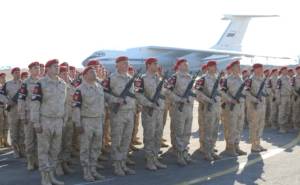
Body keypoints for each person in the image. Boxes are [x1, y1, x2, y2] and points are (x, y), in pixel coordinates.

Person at [30, 59, 67, 185]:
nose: (57, 68)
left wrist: (64, 120)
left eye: (58, 66)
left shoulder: (63, 83)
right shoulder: (41, 83)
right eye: (55, 67)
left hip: (58, 121)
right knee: (44, 150)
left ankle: (51, 176)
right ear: (48, 68)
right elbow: (35, 104)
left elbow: (65, 104)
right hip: (45, 120)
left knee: (55, 150)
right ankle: (45, 177)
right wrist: (36, 123)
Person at [102, 56, 136, 176]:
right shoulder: (112, 78)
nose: (127, 65)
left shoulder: (130, 78)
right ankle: (117, 165)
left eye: (127, 63)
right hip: (118, 114)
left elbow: (133, 96)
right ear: (117, 65)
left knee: (126, 140)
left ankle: (123, 163)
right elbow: (104, 93)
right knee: (117, 140)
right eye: (124, 63)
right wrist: (116, 100)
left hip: (129, 113)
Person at [73, 66, 105, 181]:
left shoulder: (99, 87)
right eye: (92, 72)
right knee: (85, 148)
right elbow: (76, 108)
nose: (94, 74)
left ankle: (93, 169)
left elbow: (102, 106)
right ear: (85, 75)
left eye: (95, 72)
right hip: (86, 121)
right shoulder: (80, 89)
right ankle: (86, 172)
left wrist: (102, 119)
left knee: (96, 147)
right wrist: (78, 124)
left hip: (98, 121)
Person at [135, 57, 167, 171]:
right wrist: (149, 103)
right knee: (149, 137)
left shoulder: (159, 78)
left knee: (158, 136)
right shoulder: (142, 79)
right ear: (148, 65)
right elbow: (138, 95)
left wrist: (163, 77)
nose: (157, 66)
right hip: (149, 112)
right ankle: (149, 161)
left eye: (157, 63)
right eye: (154, 64)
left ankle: (155, 159)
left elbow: (165, 92)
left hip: (159, 111)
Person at [165, 58, 194, 166]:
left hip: (189, 108)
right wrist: (179, 99)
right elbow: (167, 91)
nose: (187, 66)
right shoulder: (174, 77)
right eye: (184, 64)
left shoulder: (190, 77)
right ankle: (179, 155)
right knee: (179, 132)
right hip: (178, 108)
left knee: (187, 131)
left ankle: (185, 152)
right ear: (179, 66)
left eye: (187, 64)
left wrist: (190, 99)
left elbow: (193, 92)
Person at [194, 60, 221, 161]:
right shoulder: (202, 79)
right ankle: (207, 152)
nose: (215, 68)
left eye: (215, 66)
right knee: (208, 131)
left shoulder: (217, 79)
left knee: (215, 131)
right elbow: (197, 93)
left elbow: (219, 93)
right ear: (209, 67)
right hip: (208, 109)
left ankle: (212, 150)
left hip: (217, 109)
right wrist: (208, 100)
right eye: (213, 66)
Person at [220, 60, 247, 156]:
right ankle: (230, 147)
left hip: (241, 106)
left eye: (239, 66)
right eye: (237, 66)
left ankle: (236, 146)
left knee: (239, 127)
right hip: (232, 107)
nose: (239, 68)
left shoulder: (241, 79)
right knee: (231, 127)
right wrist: (230, 100)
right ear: (232, 68)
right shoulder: (227, 80)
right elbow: (222, 93)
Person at [17, 61, 40, 170]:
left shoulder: (42, 82)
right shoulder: (25, 83)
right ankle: (30, 161)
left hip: (40, 116)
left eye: (38, 68)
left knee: (40, 140)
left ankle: (38, 161)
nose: (38, 70)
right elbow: (21, 100)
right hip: (29, 115)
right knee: (30, 140)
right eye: (35, 68)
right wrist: (22, 116)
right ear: (30, 70)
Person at [0, 67, 24, 158]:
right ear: (13, 74)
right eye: (16, 72)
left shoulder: (24, 83)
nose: (18, 74)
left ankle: (22, 149)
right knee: (14, 131)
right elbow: (1, 95)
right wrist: (8, 101)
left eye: (19, 72)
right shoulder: (7, 84)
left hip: (22, 111)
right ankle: (15, 150)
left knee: (22, 132)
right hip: (13, 111)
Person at [56, 65, 75, 175]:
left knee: (67, 142)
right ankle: (57, 165)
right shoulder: (56, 86)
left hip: (70, 118)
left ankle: (65, 163)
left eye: (67, 73)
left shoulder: (71, 86)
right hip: (59, 119)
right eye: (63, 73)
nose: (66, 75)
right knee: (58, 143)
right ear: (59, 74)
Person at [245, 63, 268, 152]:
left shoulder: (262, 79)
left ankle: (258, 143)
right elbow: (246, 93)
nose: (262, 70)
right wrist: (255, 99)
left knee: (261, 125)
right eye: (261, 69)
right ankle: (254, 145)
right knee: (254, 126)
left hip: (262, 106)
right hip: (254, 107)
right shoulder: (250, 80)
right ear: (256, 69)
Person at [276, 66, 292, 133]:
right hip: (282, 97)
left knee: (287, 112)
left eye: (286, 70)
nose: (286, 71)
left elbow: (290, 88)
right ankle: (281, 127)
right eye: (284, 70)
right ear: (282, 71)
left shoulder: (288, 78)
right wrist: (278, 99)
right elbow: (277, 90)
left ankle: (285, 126)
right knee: (282, 113)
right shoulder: (279, 79)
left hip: (288, 97)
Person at [0, 73, 8, 147]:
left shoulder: (6, 87)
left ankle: (5, 141)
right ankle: (1, 142)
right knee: (1, 125)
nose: (4, 79)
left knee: (6, 125)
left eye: (4, 77)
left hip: (5, 108)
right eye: (2, 77)